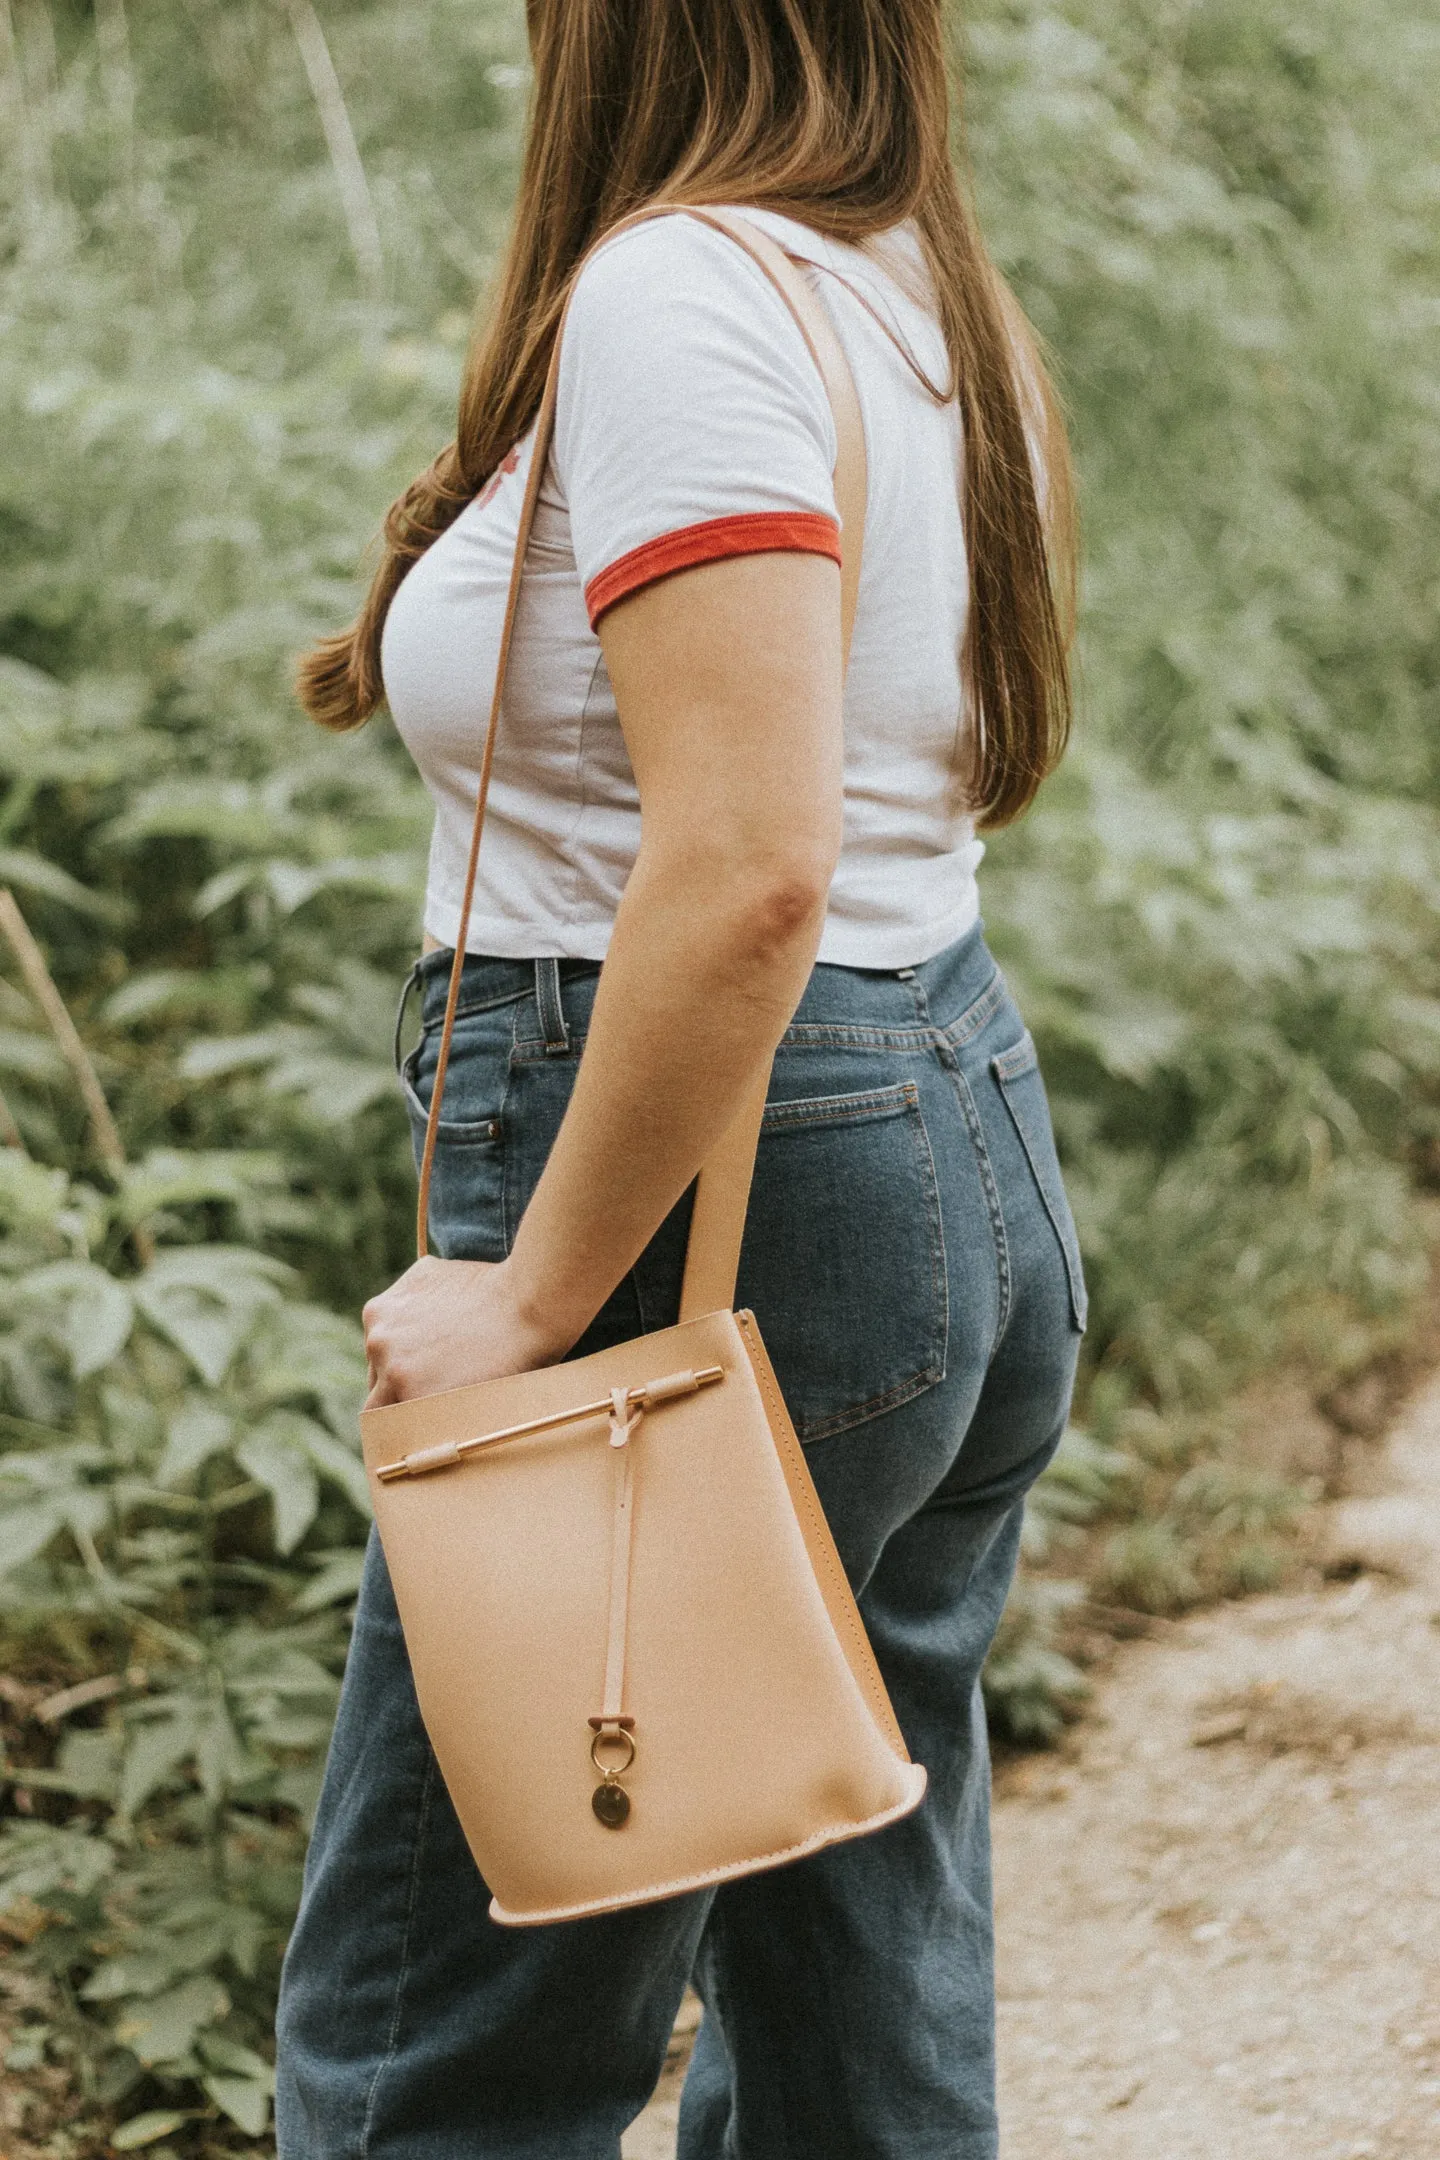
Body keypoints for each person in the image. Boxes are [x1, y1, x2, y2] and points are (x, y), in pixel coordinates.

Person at [274, 2, 1086, 2153]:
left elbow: (746, 867)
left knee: (438, 2030)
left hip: (715, 1189)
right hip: (939, 1139)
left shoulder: (680, 296)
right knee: (845, 1978)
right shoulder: (907, 284)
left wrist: (530, 1301)